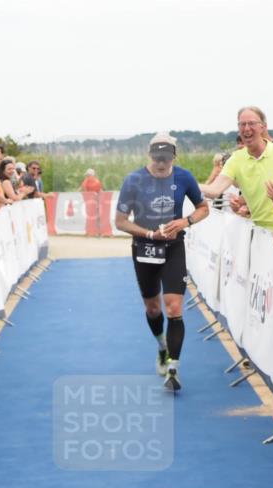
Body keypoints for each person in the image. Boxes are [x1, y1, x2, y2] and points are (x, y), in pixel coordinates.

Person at [115, 133, 209, 392]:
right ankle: (162, 347)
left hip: (173, 247)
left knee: (174, 306)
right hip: (144, 247)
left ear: (174, 157)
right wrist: (148, 234)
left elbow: (204, 207)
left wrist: (184, 221)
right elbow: (120, 221)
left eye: (165, 159)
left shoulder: (184, 177)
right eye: (156, 158)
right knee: (153, 308)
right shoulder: (134, 180)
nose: (160, 164)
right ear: (149, 156)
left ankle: (173, 368)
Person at [201, 106, 273, 231]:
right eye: (242, 124)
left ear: (263, 127)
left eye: (251, 123)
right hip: (260, 234)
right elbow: (214, 190)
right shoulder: (235, 159)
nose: (246, 128)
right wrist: (184, 181)